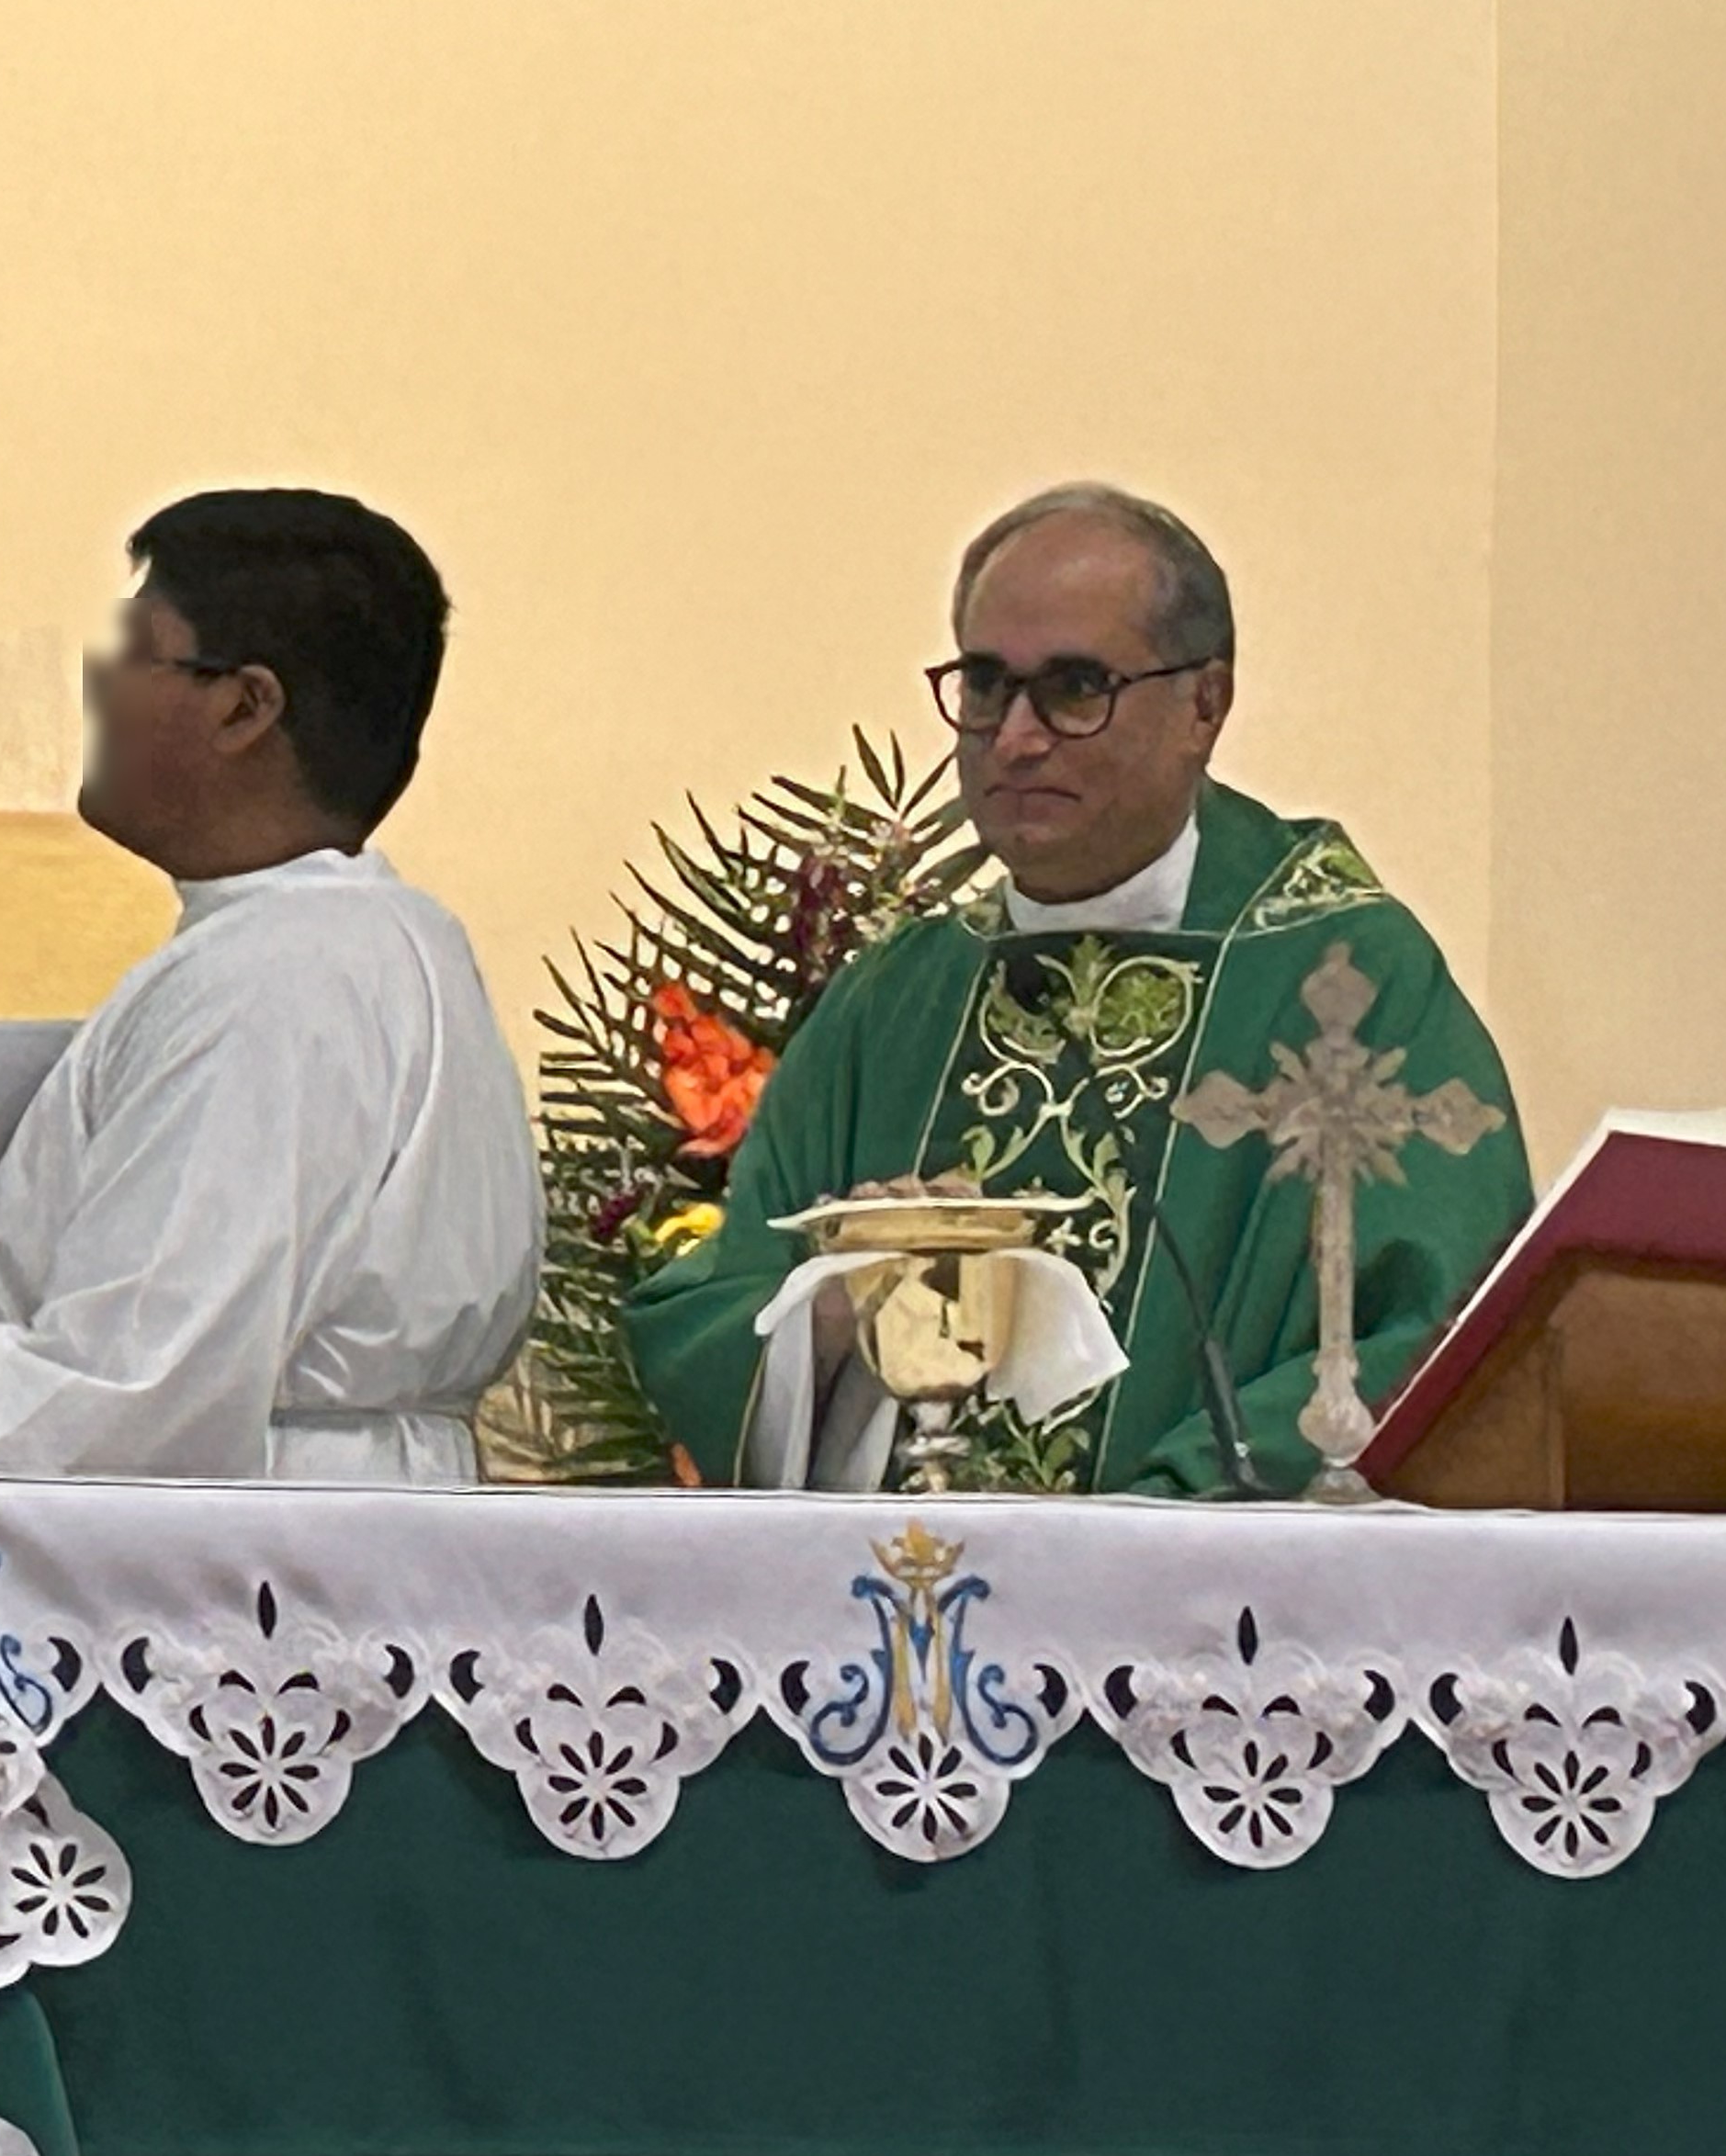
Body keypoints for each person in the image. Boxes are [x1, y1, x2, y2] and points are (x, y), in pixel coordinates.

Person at [625, 482, 1531, 1495]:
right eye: (984, 685)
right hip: (899, 1618)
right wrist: (835, 1314)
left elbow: (1441, 1339)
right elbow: (713, 1303)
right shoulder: (895, 1000)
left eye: (1074, 687)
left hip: (1203, 1617)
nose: (1015, 736)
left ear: (1205, 704)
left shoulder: (1345, 983)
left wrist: (1151, 1524)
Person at [0, 488, 542, 1501]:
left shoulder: (270, 982)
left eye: (137, 646)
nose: (98, 677)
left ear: (244, 707)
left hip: (243, 1569)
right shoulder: (384, 942)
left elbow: (118, 1404)